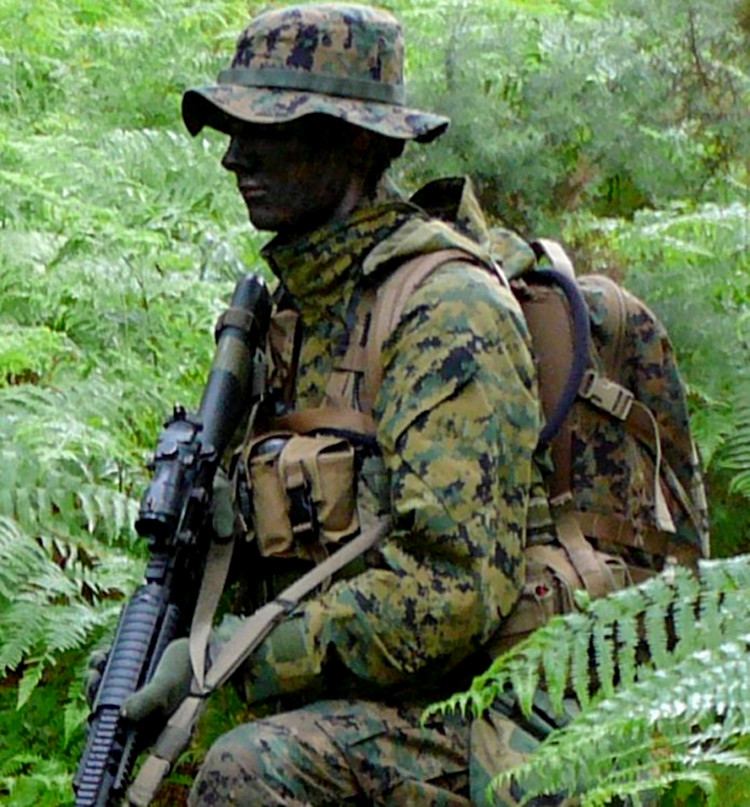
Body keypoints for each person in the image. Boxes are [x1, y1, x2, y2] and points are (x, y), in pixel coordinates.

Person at [111, 3, 708, 806]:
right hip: (382, 703)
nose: (234, 155)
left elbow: (456, 592)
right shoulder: (299, 314)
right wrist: (164, 644)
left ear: (358, 144)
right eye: (233, 127)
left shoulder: (447, 311)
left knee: (248, 771)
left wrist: (232, 656)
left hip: (504, 712)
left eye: (269, 129)